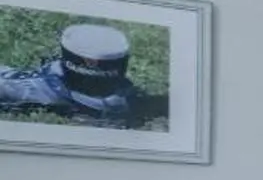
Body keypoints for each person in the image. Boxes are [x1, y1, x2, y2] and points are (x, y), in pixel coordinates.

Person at [0, 21, 167, 127]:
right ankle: (104, 98)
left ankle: (65, 88)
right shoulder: (134, 99)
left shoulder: (35, 90)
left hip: (63, 90)